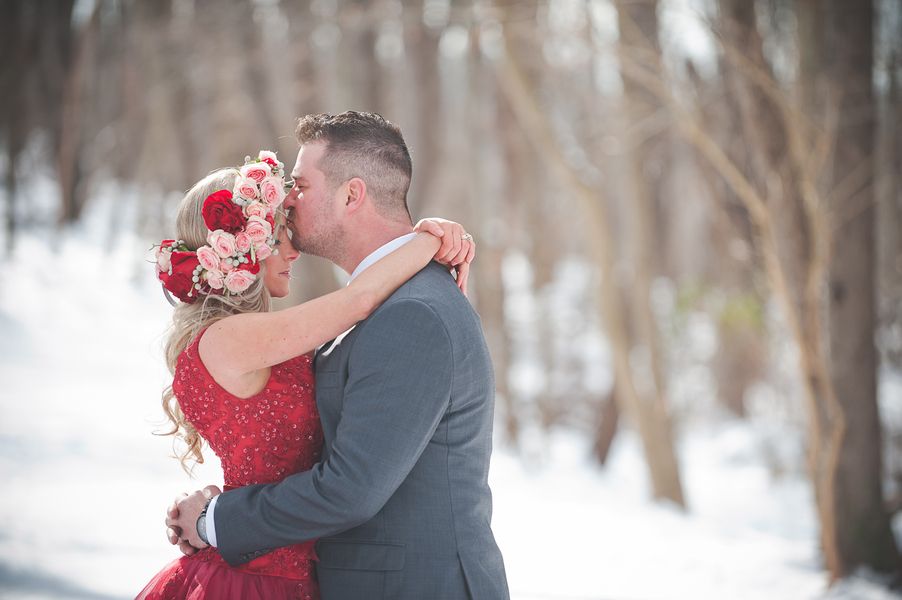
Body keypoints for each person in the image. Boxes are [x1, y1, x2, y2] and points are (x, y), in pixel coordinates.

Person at [166, 112, 510, 600]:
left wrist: (216, 519)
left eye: (301, 187)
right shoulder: (381, 305)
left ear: (352, 195)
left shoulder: (412, 313)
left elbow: (351, 489)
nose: (288, 200)